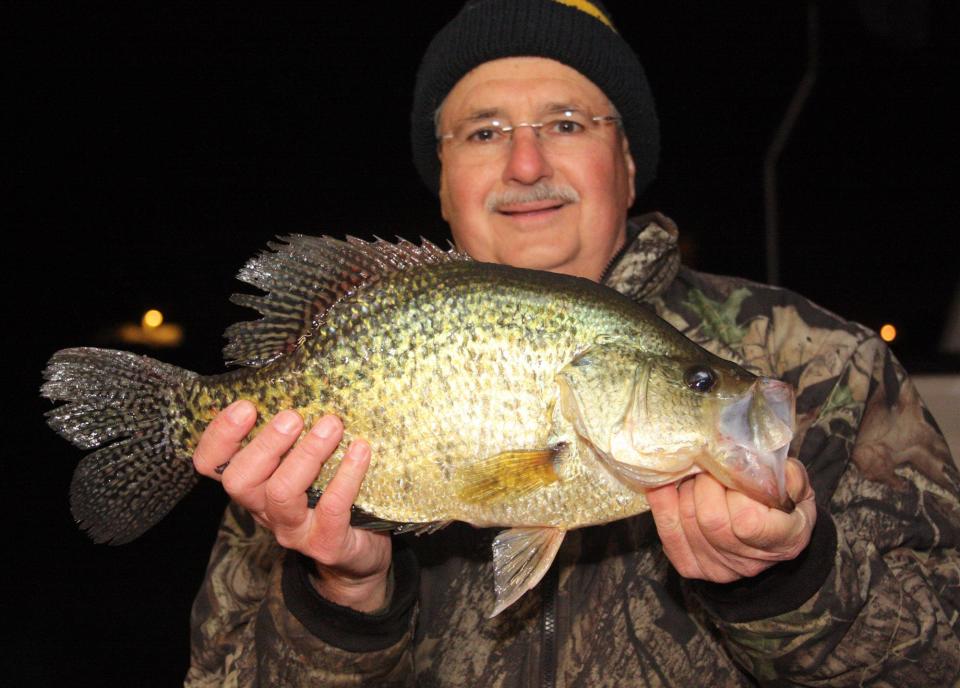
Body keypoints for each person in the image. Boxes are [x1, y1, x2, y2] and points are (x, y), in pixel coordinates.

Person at [186, 1, 960, 685]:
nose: (526, 164)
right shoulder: (289, 456)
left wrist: (791, 582)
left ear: (626, 164)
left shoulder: (825, 364)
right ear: (444, 180)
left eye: (565, 123)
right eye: (485, 132)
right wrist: (344, 599)